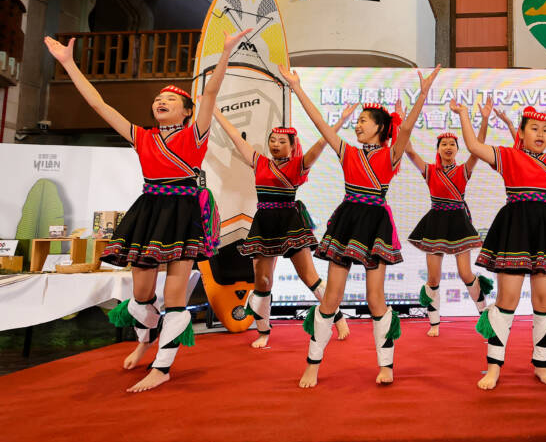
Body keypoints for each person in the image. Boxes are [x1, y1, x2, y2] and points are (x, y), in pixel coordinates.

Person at [44, 29, 250, 392]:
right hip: (150, 210)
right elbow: (99, 105)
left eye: (170, 99)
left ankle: (162, 367)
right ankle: (146, 338)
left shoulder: (194, 134)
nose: (160, 101)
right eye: (157, 99)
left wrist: (226, 52)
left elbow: (211, 93)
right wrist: (68, 64)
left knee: (175, 297)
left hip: (183, 213)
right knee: (141, 294)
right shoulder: (142, 136)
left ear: (187, 112)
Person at [280, 64, 440, 388]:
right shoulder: (348, 152)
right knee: (331, 297)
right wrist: (296, 87)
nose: (358, 124)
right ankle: (312, 364)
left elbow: (406, 128)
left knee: (375, 298)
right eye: (358, 121)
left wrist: (423, 94)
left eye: (364, 120)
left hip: (375, 224)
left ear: (380, 127)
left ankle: (386, 365)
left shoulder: (391, 155)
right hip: (348, 221)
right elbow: (320, 123)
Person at [451, 99, 546, 390]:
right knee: (506, 301)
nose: (541, 134)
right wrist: (463, 114)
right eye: (534, 128)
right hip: (516, 230)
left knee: (544, 302)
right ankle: (493, 367)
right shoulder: (508, 156)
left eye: (545, 130)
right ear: (521, 133)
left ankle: (541, 364)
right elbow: (473, 145)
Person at [212, 108, 349, 348]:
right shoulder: (259, 162)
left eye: (282, 141)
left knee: (309, 277)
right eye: (273, 140)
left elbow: (321, 143)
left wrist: (340, 122)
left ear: (292, 146)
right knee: (263, 280)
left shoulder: (298, 165)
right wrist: (213, 110)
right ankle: (263, 331)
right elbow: (234, 136)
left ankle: (337, 317)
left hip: (289, 223)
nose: (275, 144)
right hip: (264, 223)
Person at [403, 98, 496, 336]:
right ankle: (434, 322)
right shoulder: (429, 170)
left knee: (465, 273)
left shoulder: (464, 170)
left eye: (452, 144)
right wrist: (402, 123)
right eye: (443, 144)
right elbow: (409, 150)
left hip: (458, 223)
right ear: (438, 149)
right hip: (435, 224)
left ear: (457, 149)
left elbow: (478, 145)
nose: (448, 147)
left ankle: (484, 314)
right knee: (433, 277)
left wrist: (485, 119)